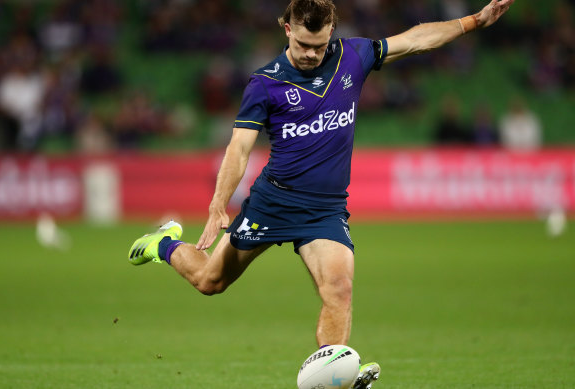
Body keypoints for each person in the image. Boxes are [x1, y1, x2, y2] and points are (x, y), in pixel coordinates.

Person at [128, 1, 514, 387]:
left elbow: (414, 41)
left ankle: (335, 377)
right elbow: (239, 148)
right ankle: (163, 243)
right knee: (210, 281)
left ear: (331, 31)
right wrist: (217, 205)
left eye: (318, 45)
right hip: (273, 203)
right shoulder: (265, 83)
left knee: (339, 288)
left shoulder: (354, 55)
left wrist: (473, 21)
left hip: (325, 210)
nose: (311, 54)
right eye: (303, 45)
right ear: (287, 31)